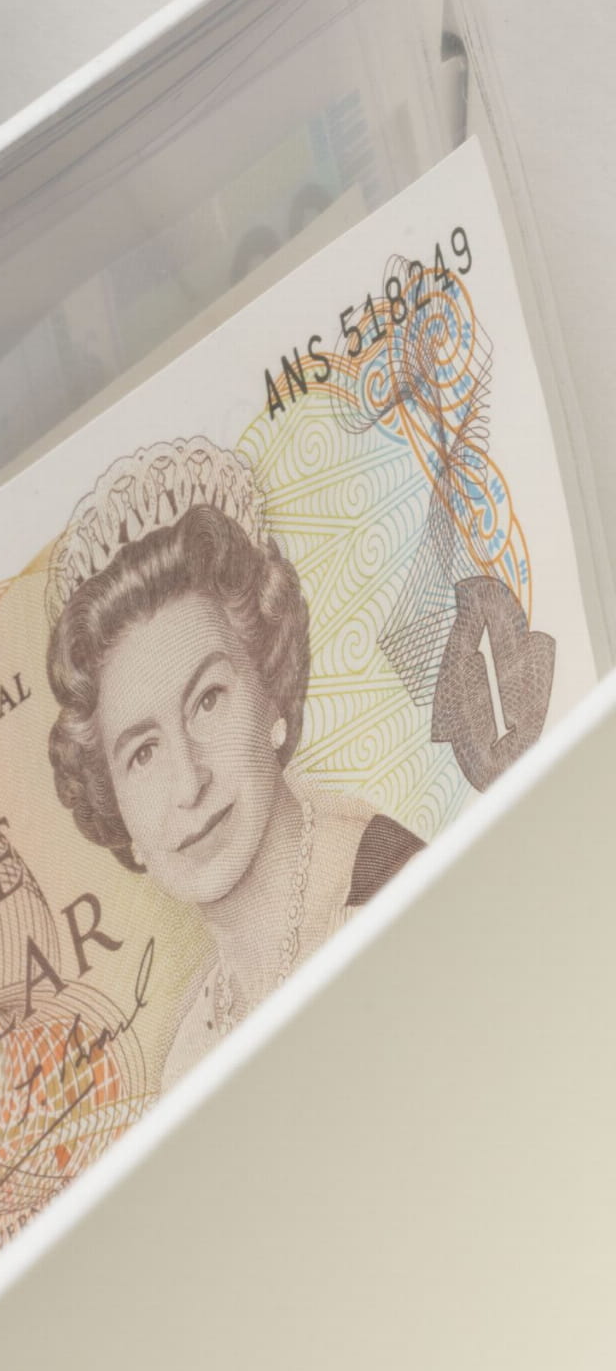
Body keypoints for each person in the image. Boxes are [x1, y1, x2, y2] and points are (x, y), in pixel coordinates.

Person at [43, 438, 421, 1088]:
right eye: (143, 752)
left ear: (270, 684)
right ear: (116, 809)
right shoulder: (192, 1045)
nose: (189, 781)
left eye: (208, 700)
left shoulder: (392, 895)